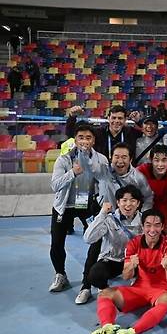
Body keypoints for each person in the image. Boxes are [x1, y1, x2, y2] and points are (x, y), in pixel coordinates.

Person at [89, 209, 167, 334]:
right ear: (142, 227)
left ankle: (132, 332)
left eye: (157, 225)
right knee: (105, 293)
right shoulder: (133, 243)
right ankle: (107, 327)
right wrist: (131, 266)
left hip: (161, 290)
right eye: (148, 225)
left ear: (162, 227)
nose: (152, 229)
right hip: (139, 288)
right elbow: (126, 276)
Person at [49, 123, 109, 293]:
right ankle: (60, 274)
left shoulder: (101, 160)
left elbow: (105, 184)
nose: (84, 141)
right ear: (75, 139)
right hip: (65, 205)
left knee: (96, 241)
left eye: (88, 137)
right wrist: (72, 173)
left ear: (93, 140)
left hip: (89, 205)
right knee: (56, 244)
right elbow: (54, 185)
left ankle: (87, 281)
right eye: (81, 137)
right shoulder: (64, 159)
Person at [77, 186, 144, 305]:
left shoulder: (144, 220)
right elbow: (88, 238)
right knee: (95, 275)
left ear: (138, 204)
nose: (128, 204)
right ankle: (104, 289)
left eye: (133, 200)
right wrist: (102, 214)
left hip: (134, 261)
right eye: (124, 200)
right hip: (112, 260)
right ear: (118, 202)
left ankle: (138, 284)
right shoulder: (109, 219)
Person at [66, 105, 141, 161]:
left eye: (120, 118)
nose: (117, 121)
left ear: (125, 120)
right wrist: (72, 117)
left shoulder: (131, 132)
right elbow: (71, 133)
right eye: (113, 118)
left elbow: (148, 133)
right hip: (102, 173)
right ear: (108, 118)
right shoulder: (98, 132)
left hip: (124, 173)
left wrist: (138, 121)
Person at [137, 144, 167, 227]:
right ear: (151, 160)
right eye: (156, 160)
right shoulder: (140, 171)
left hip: (165, 208)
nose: (160, 164)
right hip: (144, 207)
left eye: (164, 160)